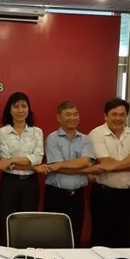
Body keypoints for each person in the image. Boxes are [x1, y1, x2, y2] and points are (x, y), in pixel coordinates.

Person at [34, 101, 94, 246]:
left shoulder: (85, 139)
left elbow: (85, 161)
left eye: (75, 114)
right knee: (52, 237)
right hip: (56, 195)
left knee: (75, 237)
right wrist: (82, 168)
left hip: (78, 196)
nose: (73, 118)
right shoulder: (52, 138)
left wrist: (60, 164)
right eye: (68, 114)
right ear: (59, 117)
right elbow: (56, 168)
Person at [86, 98, 130, 249]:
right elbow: (105, 161)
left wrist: (110, 167)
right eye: (114, 114)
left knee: (125, 239)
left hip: (129, 195)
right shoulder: (96, 134)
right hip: (104, 195)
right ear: (105, 116)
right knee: (101, 238)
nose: (118, 118)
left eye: (122, 115)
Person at [0, 92, 43, 244]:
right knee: (7, 222)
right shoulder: (2, 132)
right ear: (10, 109)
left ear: (29, 109)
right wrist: (30, 164)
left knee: (28, 224)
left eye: (24, 106)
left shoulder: (36, 132)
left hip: (30, 184)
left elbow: (37, 158)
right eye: (16, 106)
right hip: (9, 183)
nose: (20, 110)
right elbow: (4, 160)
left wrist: (12, 160)